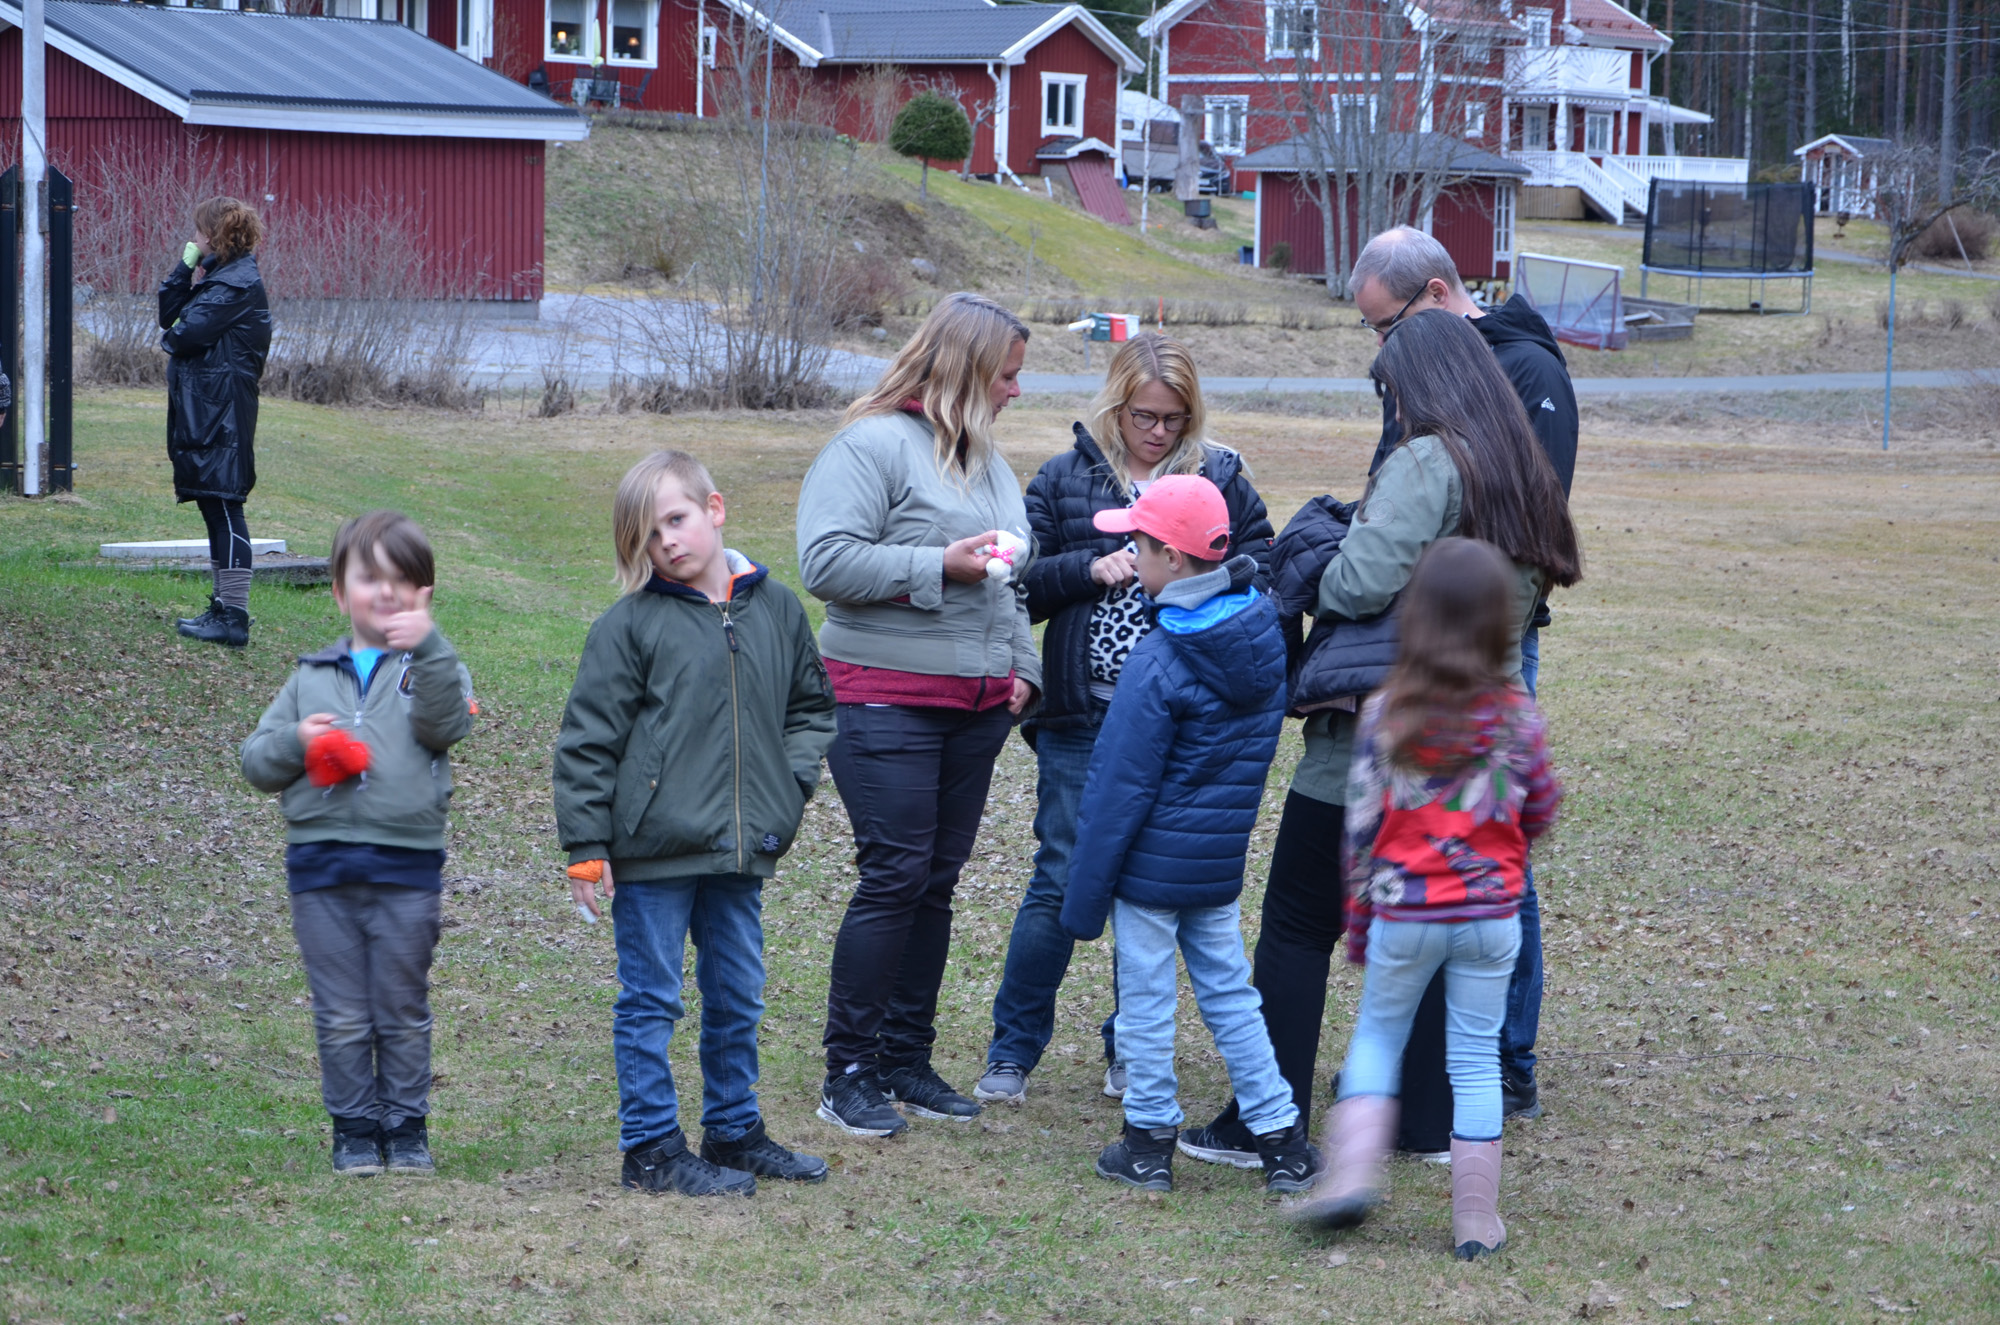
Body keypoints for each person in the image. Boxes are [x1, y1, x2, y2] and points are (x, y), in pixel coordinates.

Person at [1181, 304, 1582, 1171]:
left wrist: (1318, 545)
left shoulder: (1431, 458)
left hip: (1378, 733)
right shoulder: (1520, 465)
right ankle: (1427, 1120)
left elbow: (1360, 582)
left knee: (1294, 923)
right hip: (1481, 740)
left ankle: (1263, 1118)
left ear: (1422, 384)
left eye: (1391, 387)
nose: (1389, 404)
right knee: (1437, 924)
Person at [975, 333, 1273, 1108]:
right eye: (1145, 414)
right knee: (1062, 872)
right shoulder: (1067, 479)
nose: (1159, 431)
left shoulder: (1219, 476)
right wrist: (1087, 567)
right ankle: (1013, 1048)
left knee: (1149, 884)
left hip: (1185, 722)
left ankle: (1126, 1047)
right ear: (1117, 404)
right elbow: (1018, 584)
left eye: (1175, 417)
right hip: (1084, 713)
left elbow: (1262, 565)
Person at [554, 450, 838, 1197]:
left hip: (739, 851)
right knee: (652, 999)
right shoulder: (629, 626)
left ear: (715, 509)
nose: (667, 542)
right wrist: (586, 846)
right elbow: (587, 741)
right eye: (648, 535)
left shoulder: (776, 609)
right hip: (652, 853)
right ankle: (649, 1147)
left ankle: (734, 1129)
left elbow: (811, 708)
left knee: (738, 990)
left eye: (676, 520)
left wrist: (790, 782)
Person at [798, 292, 1041, 1137]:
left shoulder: (988, 463)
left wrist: (1025, 668)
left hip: (975, 708)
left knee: (934, 886)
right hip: (883, 695)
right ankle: (850, 1070)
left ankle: (906, 1056)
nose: (1016, 389)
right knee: (895, 876)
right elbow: (825, 561)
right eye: (1006, 374)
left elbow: (1008, 576)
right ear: (967, 369)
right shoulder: (869, 446)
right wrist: (938, 563)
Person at [1351, 225, 1578, 1119]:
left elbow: (1527, 522)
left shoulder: (1530, 375)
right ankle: (1439, 1050)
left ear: (1437, 295)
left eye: (1385, 326)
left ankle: (1505, 1054)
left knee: (1492, 835)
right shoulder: (1427, 364)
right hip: (1415, 630)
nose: (1381, 347)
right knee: (1422, 826)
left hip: (1483, 638)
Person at [1293, 537, 1562, 1259]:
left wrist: (1359, 919)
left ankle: (1347, 1177)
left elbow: (1360, 827)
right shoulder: (1516, 713)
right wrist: (1508, 845)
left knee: (1377, 1037)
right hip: (1490, 913)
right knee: (1473, 1058)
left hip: (1405, 910)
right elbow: (1541, 803)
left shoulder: (1386, 711)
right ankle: (1476, 1221)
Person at [1057, 474, 1317, 1195]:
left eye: (1138, 546)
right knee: (1233, 995)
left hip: (1149, 870)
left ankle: (1146, 1139)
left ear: (1172, 558)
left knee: (1144, 999)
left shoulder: (1159, 660)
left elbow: (1116, 788)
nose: (1131, 559)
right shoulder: (1262, 635)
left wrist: (1081, 901)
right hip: (1215, 862)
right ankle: (1281, 1138)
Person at [240, 511, 476, 1176]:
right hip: (321, 871)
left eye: (402, 580)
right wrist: (299, 742)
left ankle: (405, 1128)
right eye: (368, 577)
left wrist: (429, 647)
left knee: (400, 1006)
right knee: (342, 1010)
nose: (384, 591)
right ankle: (353, 1129)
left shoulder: (435, 667)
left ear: (424, 593)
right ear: (341, 592)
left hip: (407, 870)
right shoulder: (309, 674)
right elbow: (255, 761)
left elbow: (445, 724)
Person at [162, 196, 274, 650]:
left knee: (225, 505)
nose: (194, 239)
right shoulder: (223, 278)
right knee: (215, 504)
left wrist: (189, 279)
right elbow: (170, 317)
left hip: (222, 412)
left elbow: (180, 334)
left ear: (216, 235)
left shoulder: (236, 284)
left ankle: (234, 617)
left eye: (198, 234)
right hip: (211, 409)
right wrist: (184, 266)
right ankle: (223, 608)